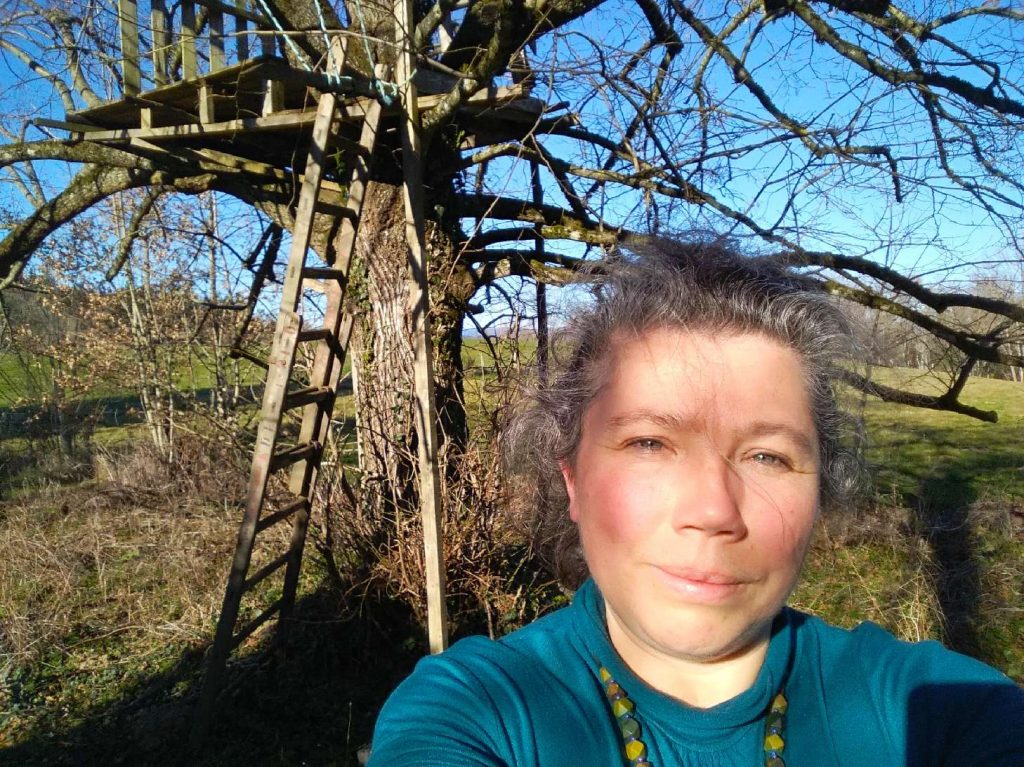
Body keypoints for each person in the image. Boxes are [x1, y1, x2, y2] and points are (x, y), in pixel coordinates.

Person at [367, 241, 1024, 766]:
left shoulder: (940, 710)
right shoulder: (476, 712)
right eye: (650, 442)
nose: (713, 509)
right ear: (571, 477)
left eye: (768, 455)